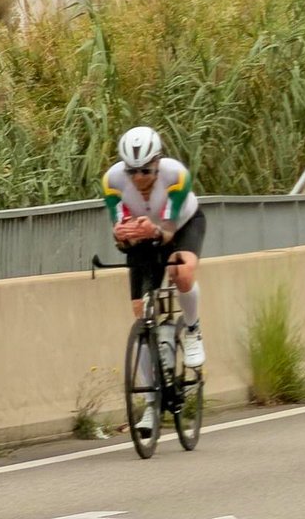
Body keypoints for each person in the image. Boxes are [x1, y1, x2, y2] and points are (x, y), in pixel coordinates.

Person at [104, 126, 207, 437]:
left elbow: (169, 230)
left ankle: (192, 329)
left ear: (158, 162)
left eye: (146, 170)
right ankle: (151, 405)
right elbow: (119, 234)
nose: (139, 178)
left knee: (181, 271)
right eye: (132, 170)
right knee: (141, 312)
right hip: (143, 234)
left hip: (181, 225)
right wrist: (120, 234)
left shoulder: (176, 176)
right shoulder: (113, 181)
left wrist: (153, 229)